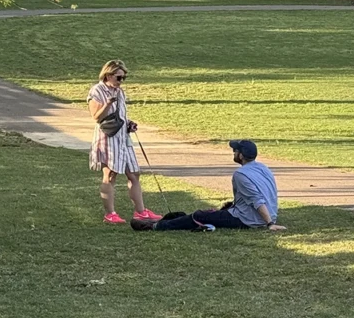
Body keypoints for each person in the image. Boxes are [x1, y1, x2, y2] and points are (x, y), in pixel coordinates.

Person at [130, 140, 284, 231]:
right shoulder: (264, 168)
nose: (233, 153)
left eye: (235, 151)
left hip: (249, 220)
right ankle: (166, 221)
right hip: (263, 215)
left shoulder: (241, 174)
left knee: (199, 216)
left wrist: (270, 223)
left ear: (241, 155)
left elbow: (257, 199)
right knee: (217, 212)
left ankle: (155, 227)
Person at [88, 60, 159, 225]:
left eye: (124, 78)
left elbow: (120, 115)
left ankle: (141, 212)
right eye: (119, 77)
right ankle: (110, 214)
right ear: (108, 75)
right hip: (108, 137)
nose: (121, 81)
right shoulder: (97, 90)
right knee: (110, 175)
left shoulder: (120, 92)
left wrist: (128, 123)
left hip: (123, 137)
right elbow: (96, 117)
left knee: (134, 173)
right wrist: (108, 103)